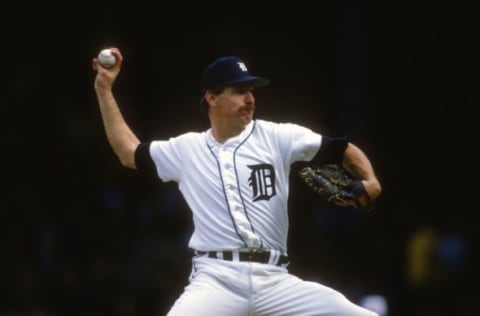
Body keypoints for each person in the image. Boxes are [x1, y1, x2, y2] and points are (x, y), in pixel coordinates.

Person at [92, 47, 382, 316]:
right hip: (216, 279)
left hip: (276, 281)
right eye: (240, 90)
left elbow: (343, 149)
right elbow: (129, 152)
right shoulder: (186, 149)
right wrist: (104, 89)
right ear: (212, 97)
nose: (250, 99)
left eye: (251, 91)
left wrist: (371, 182)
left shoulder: (278, 136)